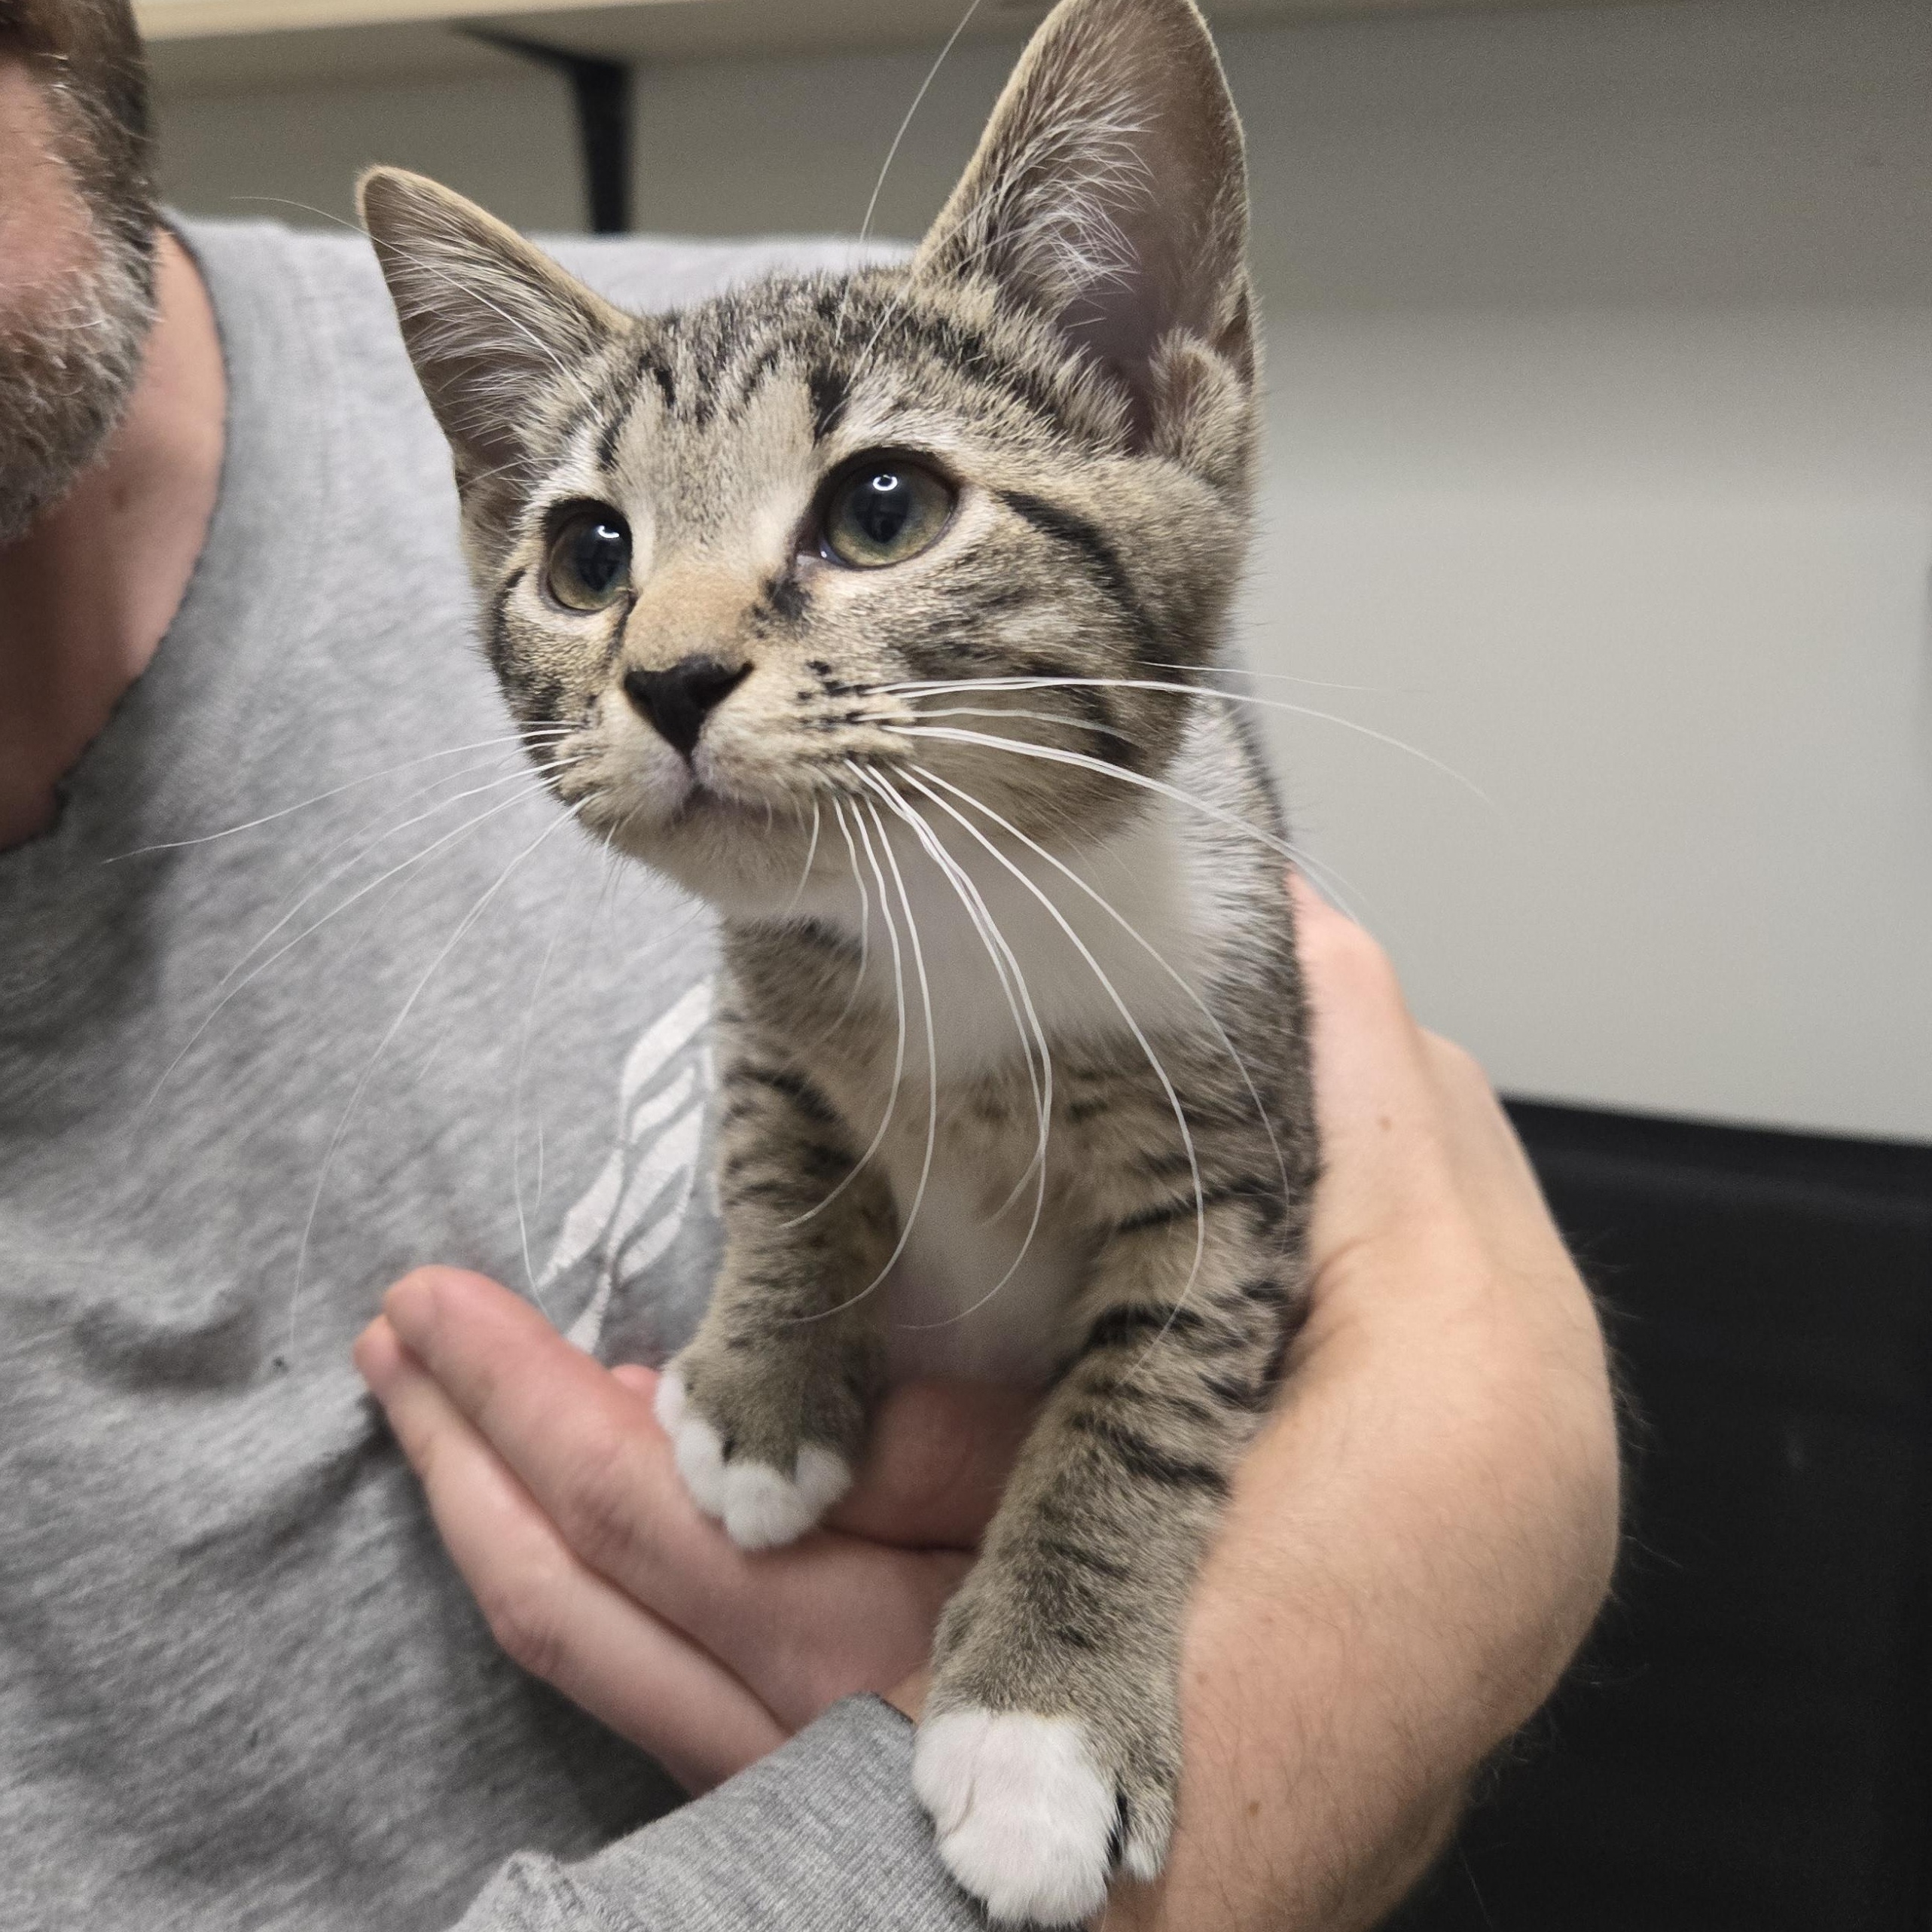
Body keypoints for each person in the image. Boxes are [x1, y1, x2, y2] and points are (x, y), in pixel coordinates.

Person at [0, 2, 1620, 1927]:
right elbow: (777, 1036)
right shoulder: (793, 895)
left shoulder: (1130, 828)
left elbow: (1216, 1261)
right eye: (590, 554)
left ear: (1152, 389)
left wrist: (1155, 1601)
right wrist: (1386, 1571)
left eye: (873, 506)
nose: (674, 652)